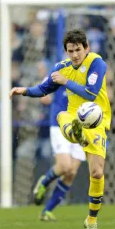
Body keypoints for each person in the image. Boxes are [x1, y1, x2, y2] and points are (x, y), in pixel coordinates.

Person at [9, 30, 111, 229]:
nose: (75, 55)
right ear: (66, 51)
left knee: (97, 173)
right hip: (72, 115)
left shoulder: (96, 63)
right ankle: (75, 134)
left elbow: (91, 93)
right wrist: (23, 90)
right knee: (63, 117)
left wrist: (65, 81)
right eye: (71, 51)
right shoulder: (60, 68)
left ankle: (91, 221)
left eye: (78, 50)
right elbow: (43, 89)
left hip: (96, 120)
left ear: (87, 48)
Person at [33, 85, 86, 221]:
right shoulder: (62, 67)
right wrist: (44, 95)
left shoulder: (92, 69)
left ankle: (47, 211)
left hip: (82, 124)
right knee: (64, 166)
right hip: (60, 123)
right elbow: (45, 85)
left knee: (71, 172)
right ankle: (44, 182)